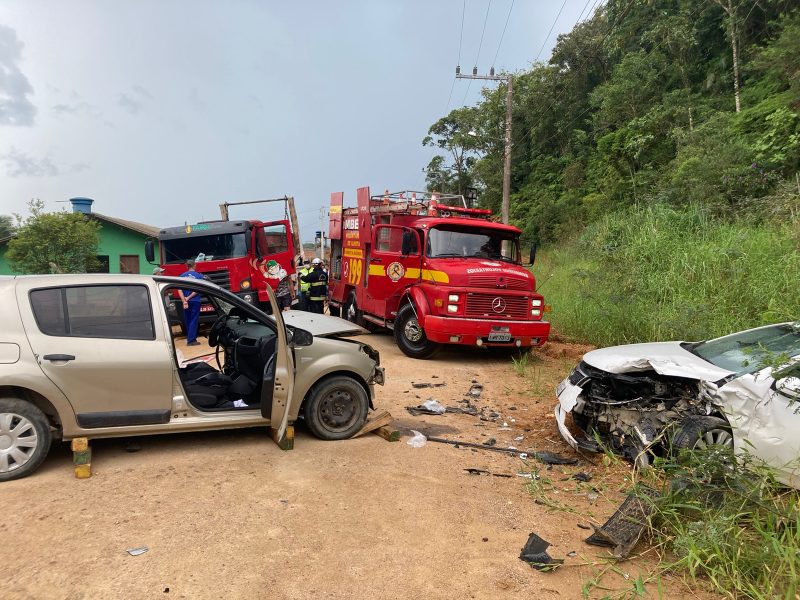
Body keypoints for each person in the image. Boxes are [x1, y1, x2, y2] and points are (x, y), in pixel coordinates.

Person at [178, 259, 204, 346]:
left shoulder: (181, 276)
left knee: (188, 320)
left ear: (187, 266)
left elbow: (179, 290)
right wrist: (188, 298)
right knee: (194, 319)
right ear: (194, 265)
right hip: (195, 301)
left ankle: (190, 338)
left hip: (185, 302)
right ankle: (191, 340)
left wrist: (184, 300)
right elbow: (198, 289)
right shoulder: (198, 276)